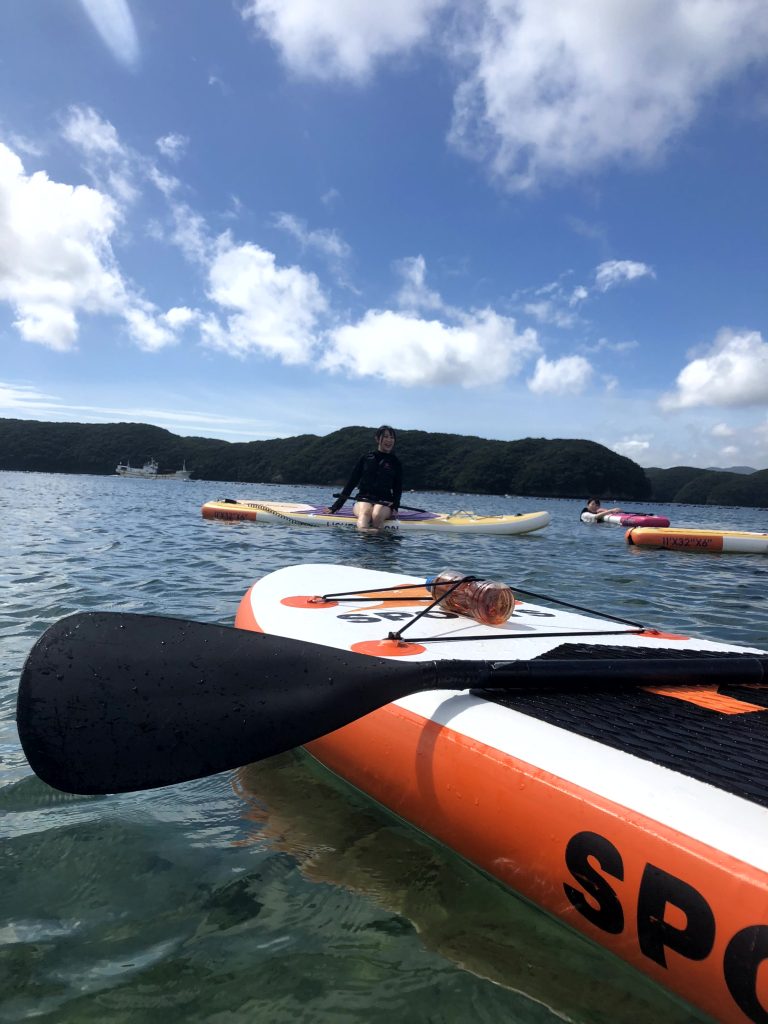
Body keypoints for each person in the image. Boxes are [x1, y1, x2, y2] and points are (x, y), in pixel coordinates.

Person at [329, 425, 403, 529]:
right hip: (364, 499)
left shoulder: (395, 462)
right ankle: (365, 537)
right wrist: (336, 506)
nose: (389, 440)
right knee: (365, 513)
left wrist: (395, 506)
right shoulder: (366, 458)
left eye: (392, 437)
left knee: (377, 515)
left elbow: (397, 487)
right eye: (385, 436)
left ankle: (376, 541)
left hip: (385, 502)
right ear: (377, 439)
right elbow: (351, 483)